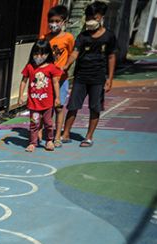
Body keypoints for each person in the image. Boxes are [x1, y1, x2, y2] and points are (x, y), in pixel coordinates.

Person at [60, 1, 117, 148]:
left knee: (95, 107)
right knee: (73, 105)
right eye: (88, 16)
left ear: (101, 17)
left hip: (98, 78)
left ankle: (89, 137)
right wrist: (66, 65)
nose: (90, 20)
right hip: (80, 76)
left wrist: (110, 78)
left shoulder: (109, 36)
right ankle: (65, 133)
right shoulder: (83, 35)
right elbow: (75, 53)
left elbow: (111, 56)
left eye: (94, 16)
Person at [17, 39, 62, 152]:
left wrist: (57, 97)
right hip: (34, 103)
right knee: (34, 123)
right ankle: (33, 142)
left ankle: (49, 140)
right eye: (36, 53)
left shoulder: (51, 67)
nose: (39, 56)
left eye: (42, 53)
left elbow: (55, 82)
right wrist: (20, 96)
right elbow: (24, 81)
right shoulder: (30, 67)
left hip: (47, 103)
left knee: (48, 123)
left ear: (47, 54)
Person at [44, 4, 75, 148]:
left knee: (59, 107)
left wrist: (66, 66)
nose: (54, 24)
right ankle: (46, 135)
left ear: (64, 21)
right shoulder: (45, 38)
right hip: (47, 80)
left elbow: (72, 54)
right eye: (51, 21)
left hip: (61, 80)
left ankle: (57, 136)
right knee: (46, 108)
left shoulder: (68, 37)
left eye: (57, 21)